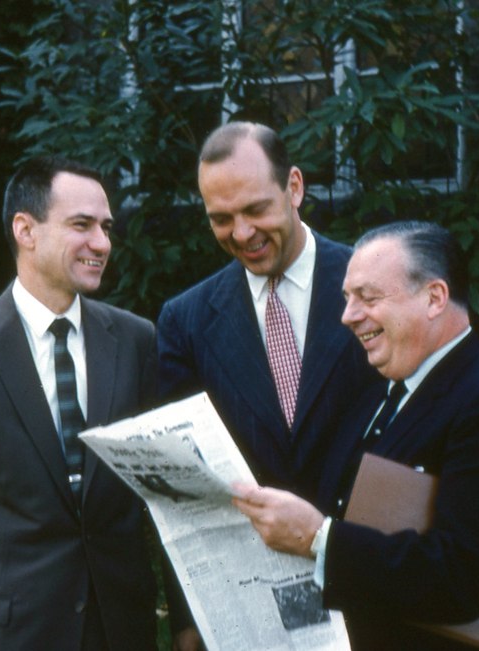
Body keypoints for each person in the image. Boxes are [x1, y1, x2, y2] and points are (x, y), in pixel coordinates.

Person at [233, 220, 479, 650]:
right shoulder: (375, 392)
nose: (348, 316)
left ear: (434, 298)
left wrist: (319, 538)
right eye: (347, 298)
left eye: (368, 298)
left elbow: (465, 576)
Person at [0, 155, 159, 650]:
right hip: (5, 630)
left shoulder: (134, 340)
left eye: (105, 227)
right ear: (26, 230)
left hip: (119, 628)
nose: (102, 243)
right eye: (81, 225)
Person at [157, 122, 380, 649]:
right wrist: (190, 622)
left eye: (255, 210)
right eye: (221, 218)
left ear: (295, 188)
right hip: (248, 611)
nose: (241, 233)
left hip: (371, 590)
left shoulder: (376, 287)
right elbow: (182, 486)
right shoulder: (185, 321)